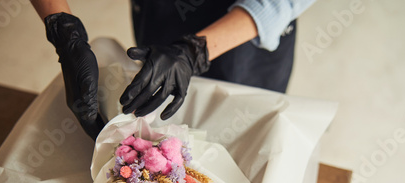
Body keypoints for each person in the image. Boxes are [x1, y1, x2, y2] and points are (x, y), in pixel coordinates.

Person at [31, 0, 316, 140]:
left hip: (244, 31)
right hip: (162, 12)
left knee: (242, 136)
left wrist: (195, 51)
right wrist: (63, 31)